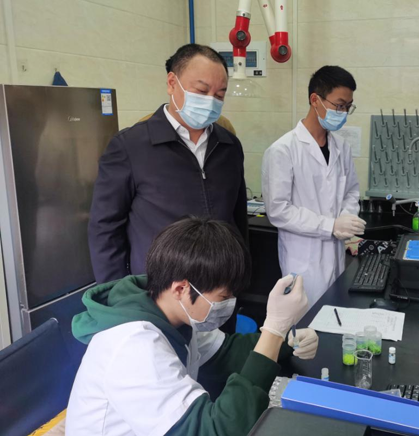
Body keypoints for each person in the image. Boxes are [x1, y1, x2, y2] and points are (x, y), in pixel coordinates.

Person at [66, 216, 318, 435]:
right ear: (181, 289)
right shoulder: (133, 346)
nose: (230, 304)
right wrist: (273, 329)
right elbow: (214, 430)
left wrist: (285, 339)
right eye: (223, 297)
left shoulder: (172, 314)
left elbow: (226, 353)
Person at [89, 44, 248, 284]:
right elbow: (105, 229)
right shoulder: (130, 146)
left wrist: (241, 276)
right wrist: (118, 292)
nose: (210, 102)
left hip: (219, 286)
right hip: (158, 291)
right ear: (172, 83)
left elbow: (238, 219)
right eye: (201, 91)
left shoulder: (229, 146)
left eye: (219, 95)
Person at [262, 66, 365, 308]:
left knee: (333, 316)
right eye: (339, 105)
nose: (343, 113)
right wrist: (330, 226)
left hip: (336, 255)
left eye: (348, 107)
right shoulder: (283, 150)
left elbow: (351, 190)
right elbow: (278, 211)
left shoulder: (341, 147)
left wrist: (346, 218)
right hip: (303, 260)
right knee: (303, 322)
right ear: (315, 100)